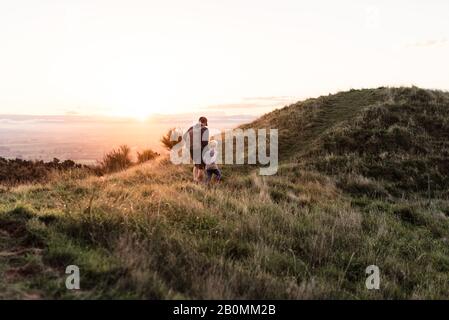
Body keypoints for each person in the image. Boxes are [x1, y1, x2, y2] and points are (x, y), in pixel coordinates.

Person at [183, 117, 209, 183]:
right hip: (200, 149)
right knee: (201, 166)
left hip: (191, 149)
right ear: (205, 122)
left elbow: (184, 136)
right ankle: (198, 181)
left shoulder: (191, 128)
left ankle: (195, 179)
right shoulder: (205, 129)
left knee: (196, 164)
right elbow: (205, 142)